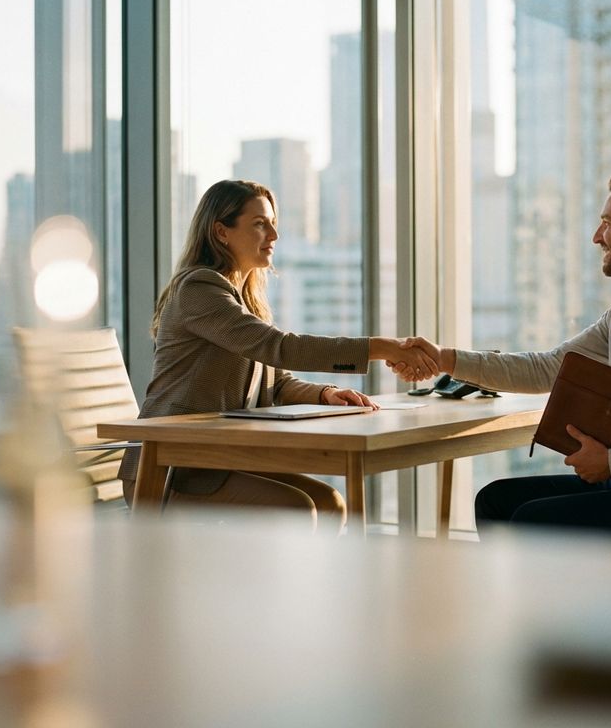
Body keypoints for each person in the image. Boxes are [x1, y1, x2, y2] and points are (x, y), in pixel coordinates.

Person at [401, 169, 611, 539]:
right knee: (495, 501)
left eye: (607, 223)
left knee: (530, 522)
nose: (597, 237)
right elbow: (547, 368)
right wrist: (444, 358)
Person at [118, 179, 435, 533]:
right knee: (297, 511)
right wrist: (381, 347)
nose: (273, 234)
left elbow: (275, 379)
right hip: (171, 470)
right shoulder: (198, 290)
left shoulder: (244, 298)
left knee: (329, 504)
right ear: (221, 232)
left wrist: (323, 394)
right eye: (259, 224)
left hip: (217, 460)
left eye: (272, 223)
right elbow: (281, 347)